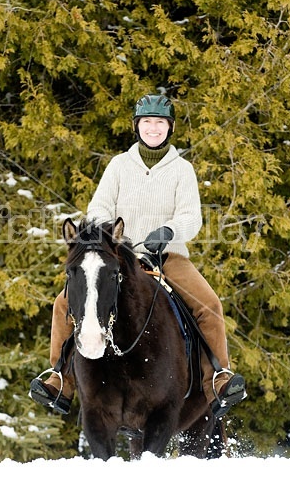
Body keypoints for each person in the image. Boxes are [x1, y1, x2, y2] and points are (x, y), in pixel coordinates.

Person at [30, 94, 246, 418]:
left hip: (167, 257)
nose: (153, 128)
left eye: (160, 122)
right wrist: (111, 237)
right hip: (118, 256)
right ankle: (61, 380)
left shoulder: (181, 170)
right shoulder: (119, 165)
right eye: (147, 122)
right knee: (64, 302)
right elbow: (99, 207)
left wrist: (169, 232)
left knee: (209, 304)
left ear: (169, 128)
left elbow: (192, 216)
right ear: (137, 126)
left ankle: (217, 377)